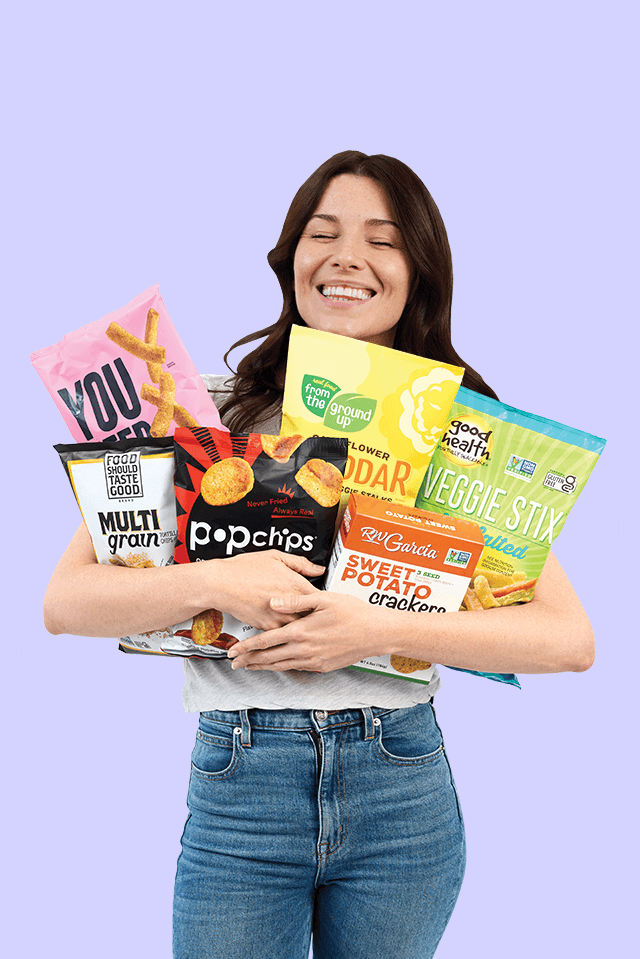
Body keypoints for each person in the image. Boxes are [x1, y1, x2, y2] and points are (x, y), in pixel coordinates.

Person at [43, 151, 594, 959]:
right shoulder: (206, 413)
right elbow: (65, 602)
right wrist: (216, 577)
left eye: (383, 240)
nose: (346, 257)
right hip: (241, 781)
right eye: (322, 233)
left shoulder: (452, 430)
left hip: (400, 782)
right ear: (290, 259)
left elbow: (567, 640)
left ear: (418, 272)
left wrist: (366, 630)